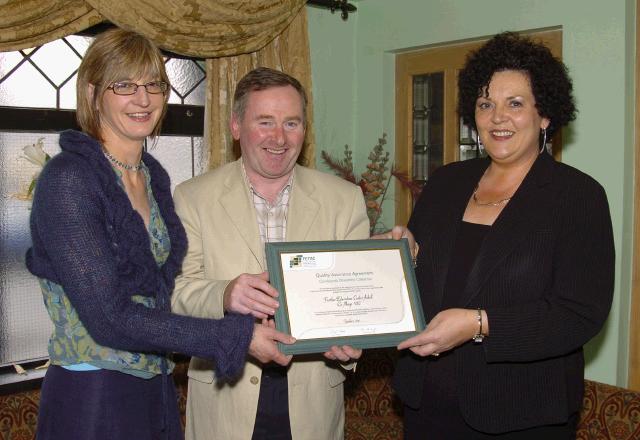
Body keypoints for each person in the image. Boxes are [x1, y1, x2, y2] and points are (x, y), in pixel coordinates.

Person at [26, 29, 293, 440]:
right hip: (94, 392)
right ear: (93, 92)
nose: (144, 98)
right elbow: (109, 318)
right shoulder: (68, 179)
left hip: (157, 384)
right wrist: (236, 336)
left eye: (154, 84)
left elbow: (165, 292)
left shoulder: (152, 176)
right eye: (124, 85)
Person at [393, 32, 615, 439]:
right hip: (426, 406)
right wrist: (402, 254)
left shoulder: (577, 196)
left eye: (515, 103)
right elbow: (426, 275)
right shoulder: (445, 183)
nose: (498, 117)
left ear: (544, 114)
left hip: (521, 415)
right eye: (485, 104)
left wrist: (480, 324)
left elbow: (579, 314)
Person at [172, 67, 412, 439]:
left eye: (292, 123)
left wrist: (353, 341)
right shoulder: (192, 197)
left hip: (311, 401)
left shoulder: (344, 199)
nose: (279, 138)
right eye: (264, 122)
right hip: (225, 401)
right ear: (236, 126)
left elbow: (354, 303)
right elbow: (176, 294)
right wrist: (224, 293)